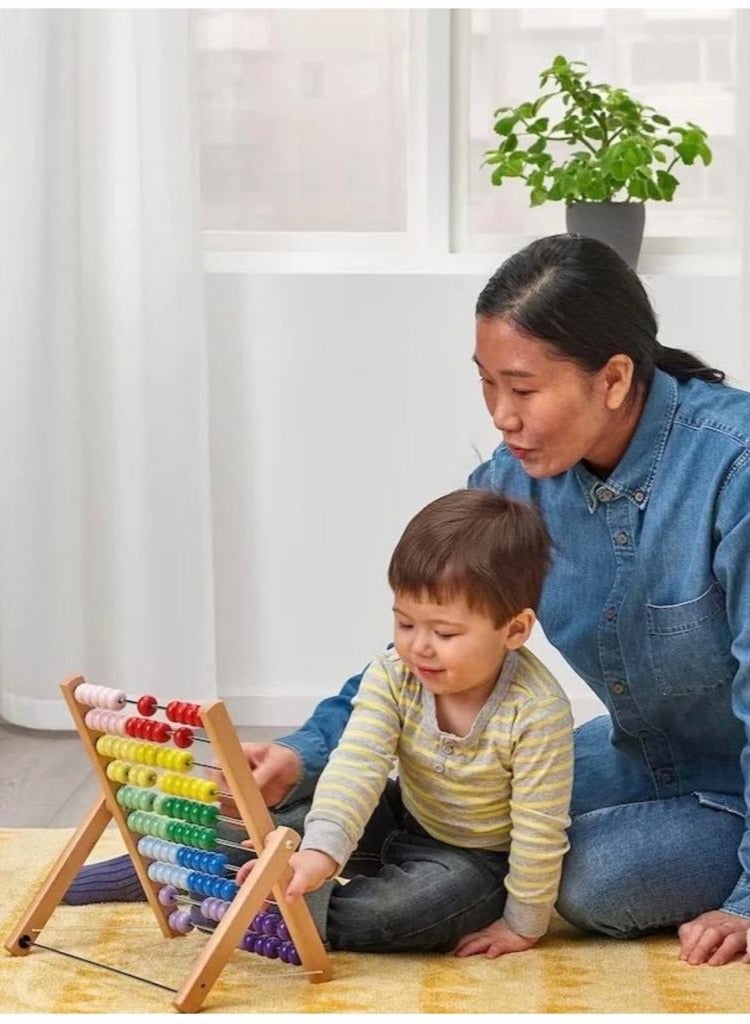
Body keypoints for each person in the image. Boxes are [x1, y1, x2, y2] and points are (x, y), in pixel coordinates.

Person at [65, 233, 750, 968]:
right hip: (645, 755)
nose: (500, 415)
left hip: (729, 776)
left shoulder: (732, 467)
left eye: (522, 389)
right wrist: (302, 753)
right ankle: (209, 864)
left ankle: (284, 900)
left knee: (585, 885)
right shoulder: (516, 481)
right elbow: (429, 644)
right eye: (486, 383)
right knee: (464, 799)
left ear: (613, 379)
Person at [236, 487, 573, 955]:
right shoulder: (395, 672)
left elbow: (540, 830)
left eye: (445, 632)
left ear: (514, 630)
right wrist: (319, 852)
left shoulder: (536, 711)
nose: (419, 647)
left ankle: (278, 906)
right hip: (401, 818)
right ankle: (210, 868)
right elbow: (358, 763)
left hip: (474, 862)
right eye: (406, 624)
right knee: (281, 819)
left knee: (401, 913)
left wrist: (523, 924)